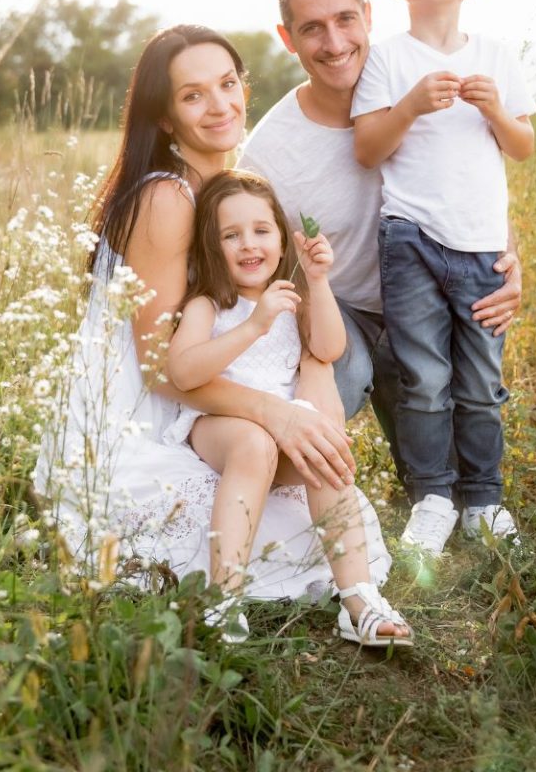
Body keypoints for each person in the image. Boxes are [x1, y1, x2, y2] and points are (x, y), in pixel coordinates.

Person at [34, 24, 381, 605]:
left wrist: (314, 378)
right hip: (149, 409)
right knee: (269, 504)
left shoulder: (229, 186)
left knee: (319, 475)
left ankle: (360, 598)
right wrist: (279, 413)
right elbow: (156, 370)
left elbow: (289, 304)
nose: (220, 105)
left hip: (216, 380)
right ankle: (224, 600)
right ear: (165, 118)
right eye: (194, 95)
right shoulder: (167, 198)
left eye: (227, 84)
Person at [238, 0, 522, 493]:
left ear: (369, 14)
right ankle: (270, 489)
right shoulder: (269, 153)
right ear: (287, 37)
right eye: (312, 29)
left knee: (461, 483)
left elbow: (474, 179)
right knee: (338, 387)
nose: (335, 42)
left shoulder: (420, 86)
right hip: (342, 312)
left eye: (346, 19)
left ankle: (439, 482)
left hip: (433, 296)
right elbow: (244, 266)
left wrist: (510, 259)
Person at [351, 0, 536, 555]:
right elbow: (368, 150)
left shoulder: (495, 57)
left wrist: (492, 109)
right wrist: (408, 106)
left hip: (482, 243)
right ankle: (433, 498)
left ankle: (483, 499)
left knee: (481, 381)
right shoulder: (387, 58)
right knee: (424, 376)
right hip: (409, 238)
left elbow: (523, 147)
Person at [165, 170, 413, 646]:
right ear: (211, 248)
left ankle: (357, 598)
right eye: (230, 235)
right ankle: (224, 596)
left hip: (284, 431)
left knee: (322, 448)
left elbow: (329, 346)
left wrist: (318, 281)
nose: (248, 244)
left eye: (261, 230)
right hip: (221, 428)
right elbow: (184, 370)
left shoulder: (292, 298)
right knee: (255, 444)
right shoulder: (210, 304)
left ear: (282, 240)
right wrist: (253, 326)